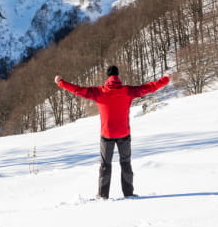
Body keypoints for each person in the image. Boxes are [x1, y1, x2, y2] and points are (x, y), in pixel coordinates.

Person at [54, 66, 171, 199]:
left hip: (106, 135)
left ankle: (103, 195)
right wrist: (165, 79)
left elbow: (78, 90)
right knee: (125, 163)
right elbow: (149, 87)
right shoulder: (128, 90)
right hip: (124, 134)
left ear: (107, 77)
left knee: (105, 165)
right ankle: (128, 194)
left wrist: (61, 82)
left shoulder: (99, 92)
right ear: (118, 76)